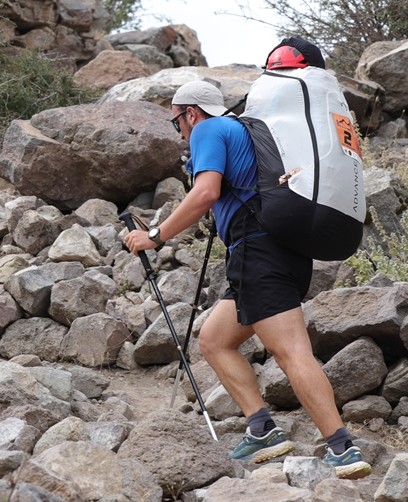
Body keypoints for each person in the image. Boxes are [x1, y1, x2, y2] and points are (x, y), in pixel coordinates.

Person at [124, 79, 370, 479]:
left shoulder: (208, 129)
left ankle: (342, 447)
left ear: (191, 112)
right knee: (215, 340)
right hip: (278, 251)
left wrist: (155, 235)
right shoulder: (245, 131)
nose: (181, 132)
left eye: (176, 122)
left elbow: (205, 193)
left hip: (259, 251)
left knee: (291, 351)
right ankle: (262, 428)